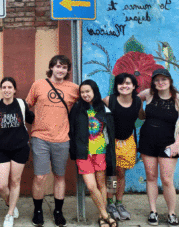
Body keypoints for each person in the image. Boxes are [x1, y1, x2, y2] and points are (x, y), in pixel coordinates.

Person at [26, 55, 79, 227]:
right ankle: (38, 210)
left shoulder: (74, 88)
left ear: (67, 70)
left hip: (62, 138)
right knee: (40, 177)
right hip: (40, 137)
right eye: (57, 66)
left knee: (59, 176)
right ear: (51, 68)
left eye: (64, 67)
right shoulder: (38, 85)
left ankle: (58, 211)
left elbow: (87, 104)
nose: (60, 70)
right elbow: (26, 105)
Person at [138, 68, 179, 226]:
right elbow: (132, 99)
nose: (160, 83)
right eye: (157, 80)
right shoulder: (148, 94)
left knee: (167, 180)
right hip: (147, 141)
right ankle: (153, 211)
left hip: (169, 144)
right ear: (153, 81)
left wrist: (177, 144)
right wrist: (139, 110)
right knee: (151, 177)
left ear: (170, 81)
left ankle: (171, 213)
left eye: (164, 79)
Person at [69, 79, 118, 227]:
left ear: (94, 92)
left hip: (101, 152)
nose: (85, 94)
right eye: (82, 92)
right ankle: (105, 214)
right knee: (91, 186)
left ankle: (101, 217)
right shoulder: (77, 108)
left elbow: (109, 131)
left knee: (101, 184)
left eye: (87, 91)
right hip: (83, 153)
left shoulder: (103, 108)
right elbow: (71, 130)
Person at [0, 77, 35, 227]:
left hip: (20, 148)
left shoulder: (21, 104)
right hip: (1, 148)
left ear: (14, 90)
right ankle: (10, 203)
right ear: (1, 89)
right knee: (2, 186)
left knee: (15, 181)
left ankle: (10, 214)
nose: (7, 90)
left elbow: (31, 118)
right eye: (4, 87)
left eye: (10, 87)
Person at [103, 73, 144, 221]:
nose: (124, 86)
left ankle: (119, 203)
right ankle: (110, 203)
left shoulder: (137, 101)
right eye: (121, 83)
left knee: (121, 173)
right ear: (116, 86)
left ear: (134, 86)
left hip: (128, 141)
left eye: (128, 83)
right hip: (111, 142)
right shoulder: (109, 100)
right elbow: (94, 114)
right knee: (112, 173)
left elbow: (142, 116)